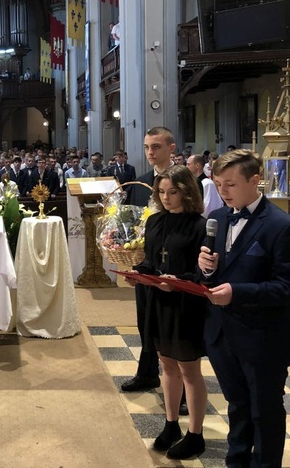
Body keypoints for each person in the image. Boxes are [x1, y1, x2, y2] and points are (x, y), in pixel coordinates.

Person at [198, 150, 290, 467]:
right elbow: (214, 273)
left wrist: (237, 292)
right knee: (236, 405)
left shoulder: (280, 225)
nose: (222, 192)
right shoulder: (219, 218)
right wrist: (205, 269)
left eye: (230, 184)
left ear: (255, 181)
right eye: (218, 184)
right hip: (223, 333)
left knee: (263, 411)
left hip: (263, 337)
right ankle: (236, 461)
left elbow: (285, 287)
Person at [128, 166, 208, 459]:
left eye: (172, 192)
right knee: (166, 365)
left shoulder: (200, 226)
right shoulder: (155, 222)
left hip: (186, 305)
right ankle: (171, 423)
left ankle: (196, 434)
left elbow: (203, 272)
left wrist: (178, 282)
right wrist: (137, 273)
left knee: (189, 369)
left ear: (187, 191)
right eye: (161, 192)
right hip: (158, 302)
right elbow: (152, 260)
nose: (167, 198)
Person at [122, 126, 176, 393]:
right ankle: (147, 372)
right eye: (146, 147)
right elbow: (131, 223)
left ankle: (181, 383)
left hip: (175, 264)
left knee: (172, 324)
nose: (150, 152)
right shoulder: (141, 182)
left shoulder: (187, 181)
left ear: (171, 149)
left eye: (156, 147)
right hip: (145, 261)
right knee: (145, 318)